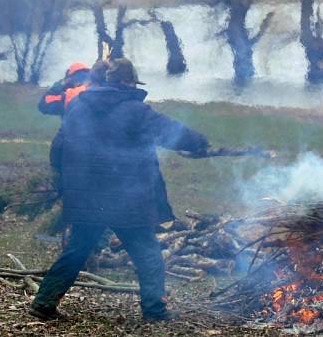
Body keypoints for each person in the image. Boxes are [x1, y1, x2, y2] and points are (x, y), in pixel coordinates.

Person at [30, 58, 210, 321]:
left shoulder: (79, 106)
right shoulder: (135, 110)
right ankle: (155, 309)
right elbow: (170, 131)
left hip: (88, 198)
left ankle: (43, 302)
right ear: (127, 82)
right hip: (125, 200)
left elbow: (58, 149)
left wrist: (66, 181)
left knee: (76, 251)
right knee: (148, 253)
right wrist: (199, 142)